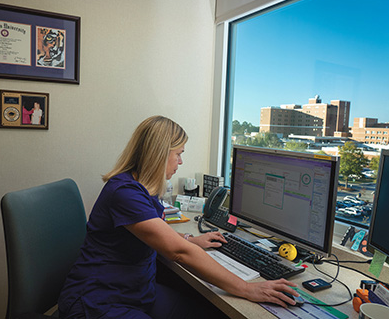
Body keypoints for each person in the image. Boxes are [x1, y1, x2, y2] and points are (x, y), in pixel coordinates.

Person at [58, 115, 299, 319]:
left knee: (208, 312)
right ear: (160, 154)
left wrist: (189, 240)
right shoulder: (124, 193)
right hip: (97, 301)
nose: (180, 161)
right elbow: (177, 252)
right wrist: (246, 288)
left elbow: (155, 235)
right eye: (178, 154)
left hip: (136, 292)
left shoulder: (141, 188)